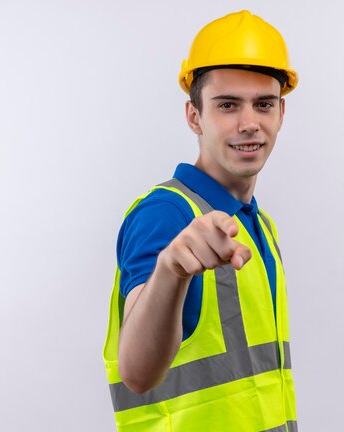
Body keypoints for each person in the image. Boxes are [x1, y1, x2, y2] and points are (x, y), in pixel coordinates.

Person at [103, 10, 298, 432]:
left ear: (281, 113)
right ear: (194, 117)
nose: (249, 123)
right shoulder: (165, 215)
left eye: (263, 104)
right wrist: (171, 270)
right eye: (227, 105)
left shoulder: (259, 224)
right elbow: (135, 374)